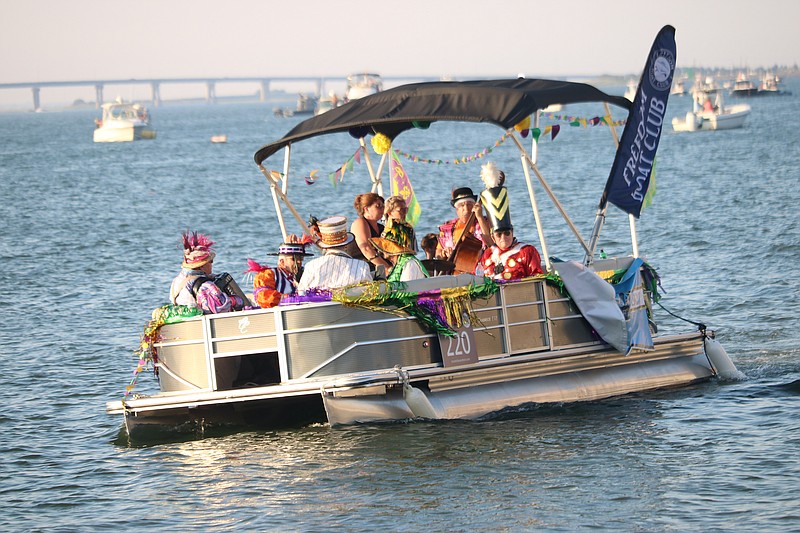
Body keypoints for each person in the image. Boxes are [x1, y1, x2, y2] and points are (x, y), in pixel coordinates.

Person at [169, 231, 248, 314]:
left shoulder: (177, 281)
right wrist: (236, 300)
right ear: (202, 265)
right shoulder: (205, 285)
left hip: (186, 323)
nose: (212, 264)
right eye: (211, 261)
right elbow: (221, 308)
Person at [297, 216, 373, 292]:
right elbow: (370, 293)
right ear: (346, 245)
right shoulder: (362, 266)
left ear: (324, 247)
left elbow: (301, 293)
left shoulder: (311, 266)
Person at [245, 240, 313, 308]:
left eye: (301, 259)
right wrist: (291, 299)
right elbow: (264, 297)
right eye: (294, 259)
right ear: (282, 261)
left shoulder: (304, 274)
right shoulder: (268, 274)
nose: (299, 262)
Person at [437, 186, 493, 259]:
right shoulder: (448, 228)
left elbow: (491, 244)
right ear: (456, 209)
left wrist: (480, 217)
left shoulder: (486, 222)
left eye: (469, 204)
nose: (466, 209)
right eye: (461, 205)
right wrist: (444, 253)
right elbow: (437, 254)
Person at [350, 192, 391, 272]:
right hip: (363, 270)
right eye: (378, 206)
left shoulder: (382, 228)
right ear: (366, 209)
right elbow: (366, 248)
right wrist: (387, 268)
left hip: (379, 269)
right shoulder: (360, 223)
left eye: (383, 206)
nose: (382, 209)